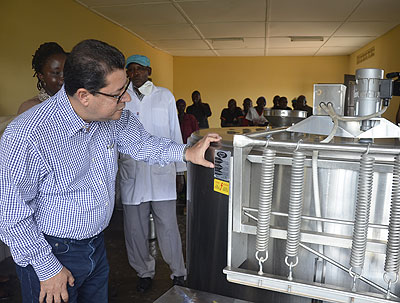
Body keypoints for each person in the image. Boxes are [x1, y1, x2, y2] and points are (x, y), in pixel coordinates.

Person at [0, 39, 220, 303]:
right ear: (84, 95)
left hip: (96, 247)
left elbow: (143, 144)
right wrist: (47, 268)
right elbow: (11, 214)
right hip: (50, 254)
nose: (126, 98)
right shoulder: (28, 135)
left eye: (125, 88)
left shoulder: (112, 116)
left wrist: (187, 152)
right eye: (117, 93)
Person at [120, 54, 187, 292]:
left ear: (149, 71)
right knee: (135, 229)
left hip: (162, 172)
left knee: (168, 226)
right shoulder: (121, 97)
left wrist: (180, 169)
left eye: (139, 69)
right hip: (133, 172)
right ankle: (144, 272)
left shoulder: (165, 96)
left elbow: (174, 131)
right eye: (131, 70)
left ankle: (178, 272)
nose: (135, 73)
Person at [17, 42, 67, 114]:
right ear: (41, 76)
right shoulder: (30, 108)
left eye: (67, 71)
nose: (63, 77)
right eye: (56, 73)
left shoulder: (79, 102)